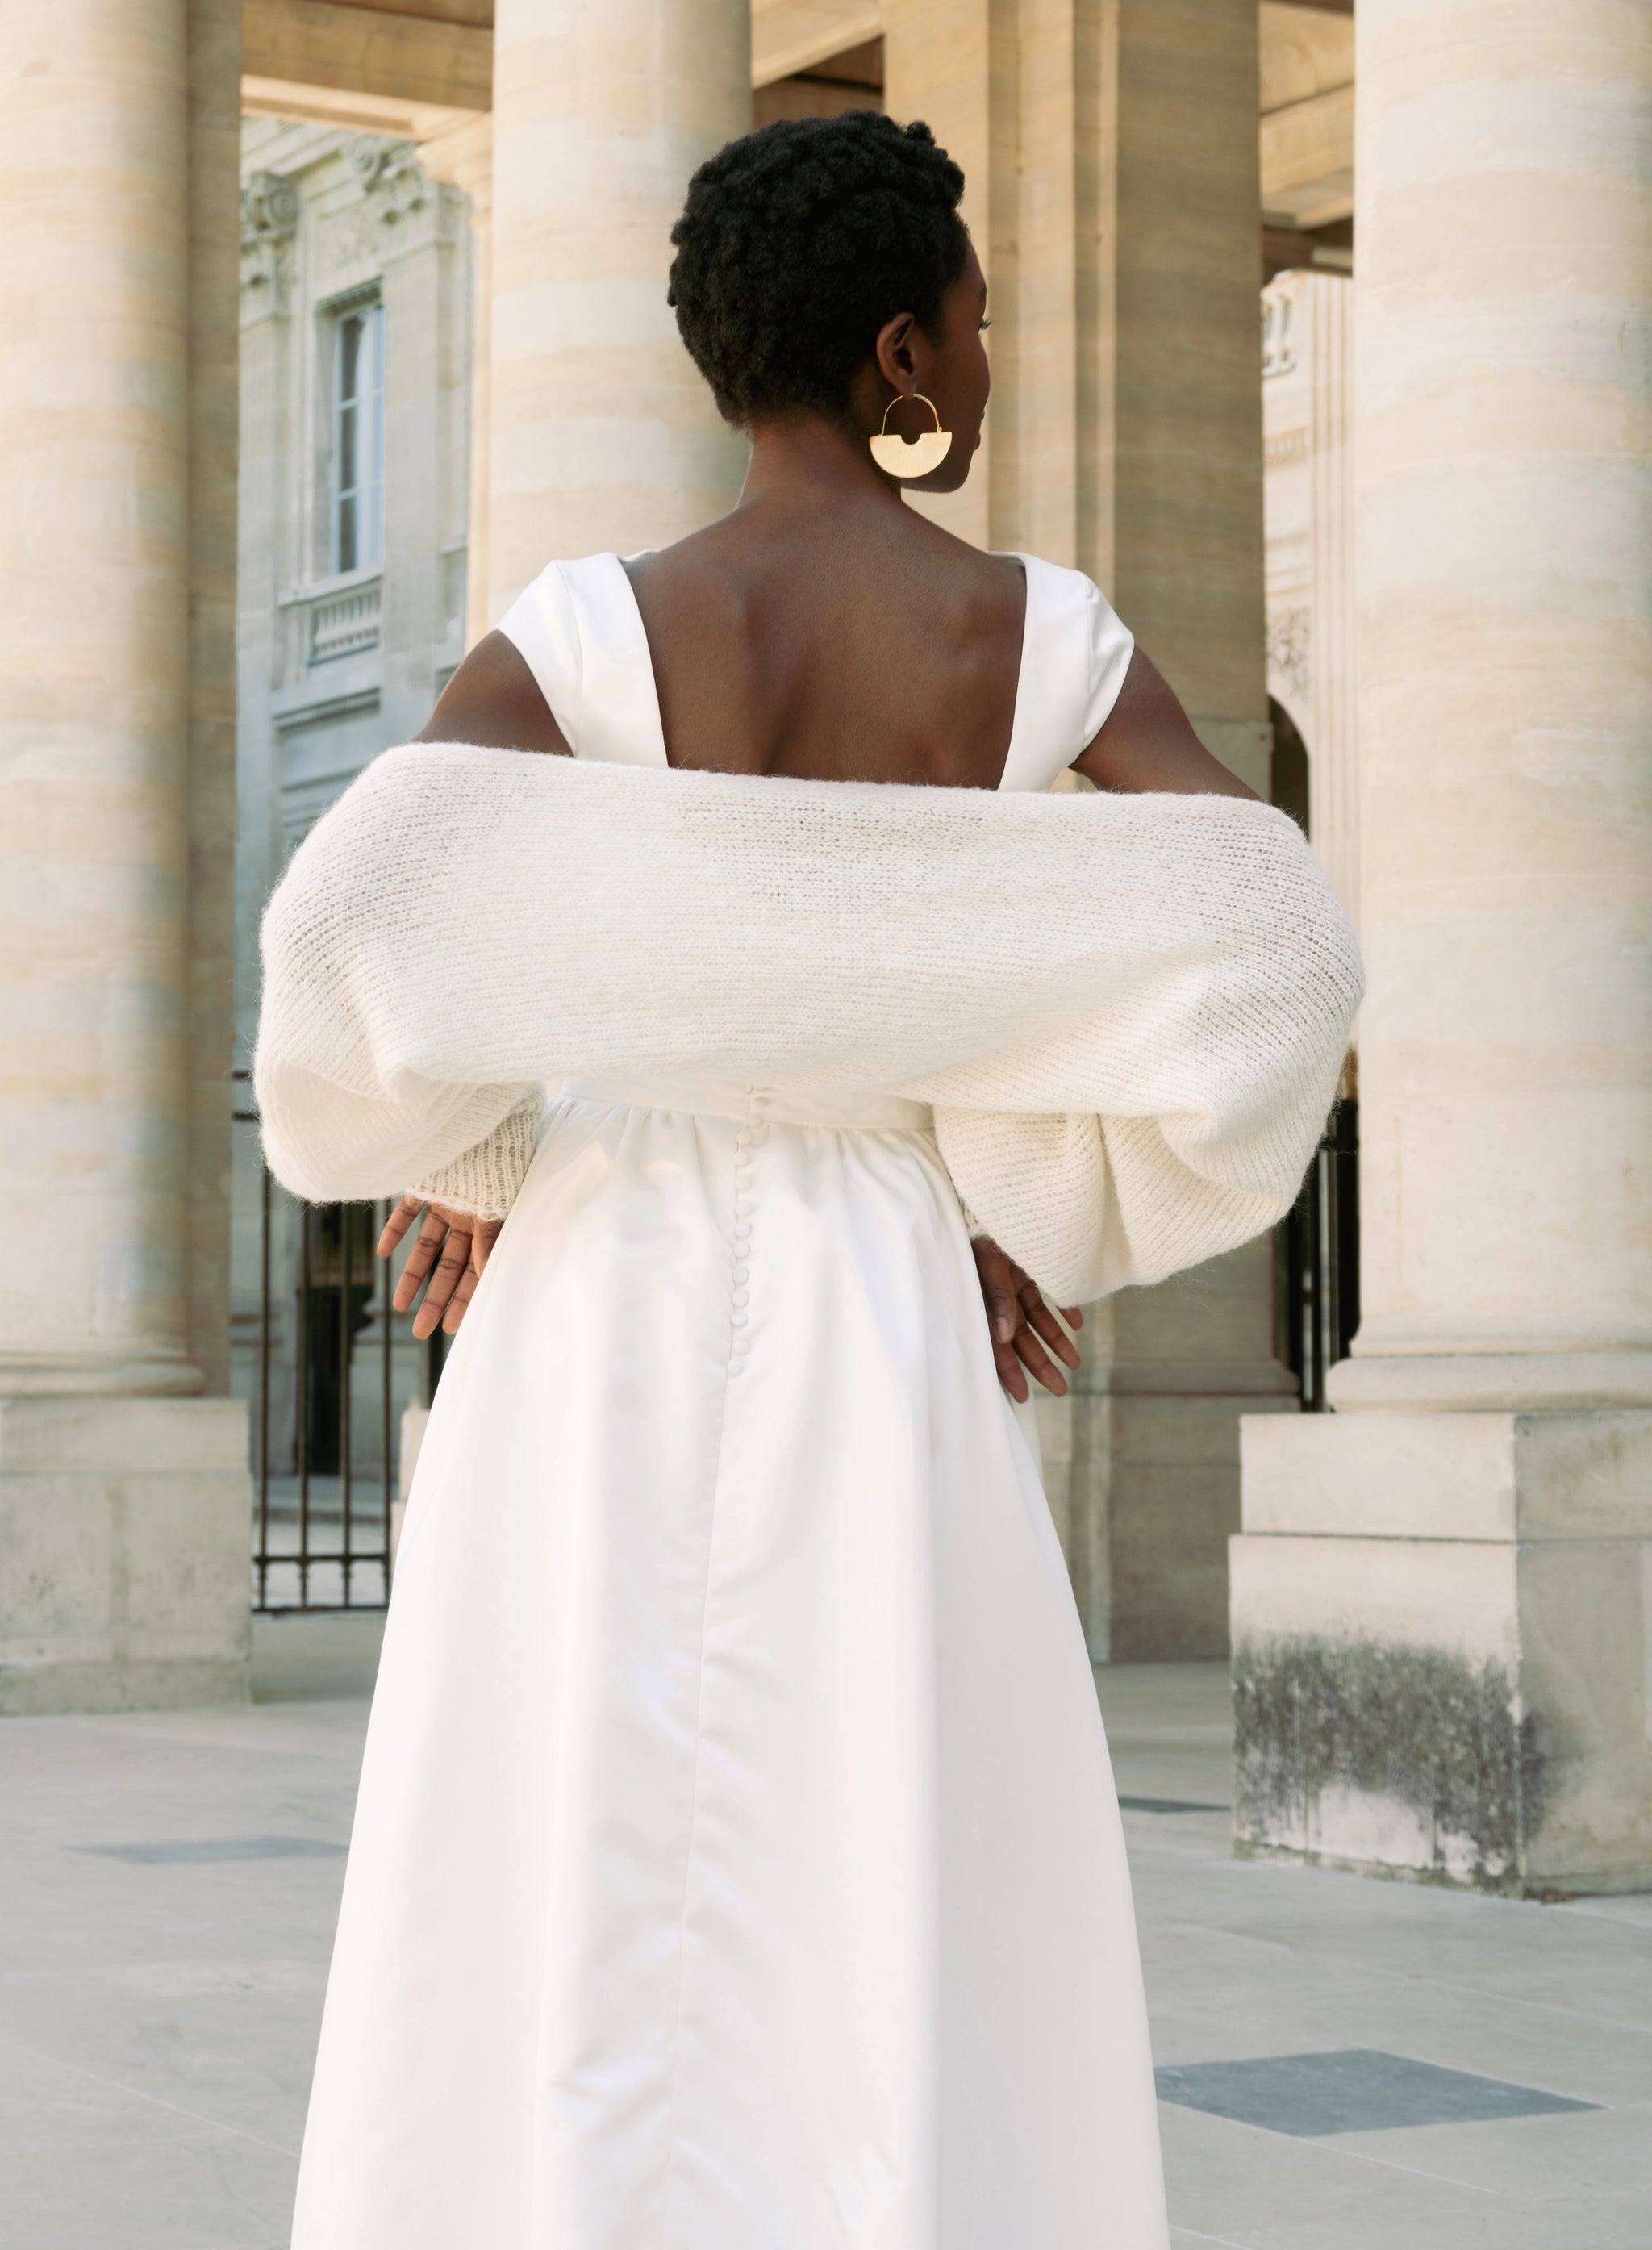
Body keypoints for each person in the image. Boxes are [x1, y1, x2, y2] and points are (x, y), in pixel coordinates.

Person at [267, 112, 1356, 2250]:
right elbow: (1277, 935)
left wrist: (482, 1143)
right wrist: (1018, 1181)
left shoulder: (590, 627)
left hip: (601, 1270)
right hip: (879, 1264)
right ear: (898, 353)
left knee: (571, 1807)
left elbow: (359, 915)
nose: (987, 349)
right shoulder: (1037, 637)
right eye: (974, 315)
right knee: (876, 1807)